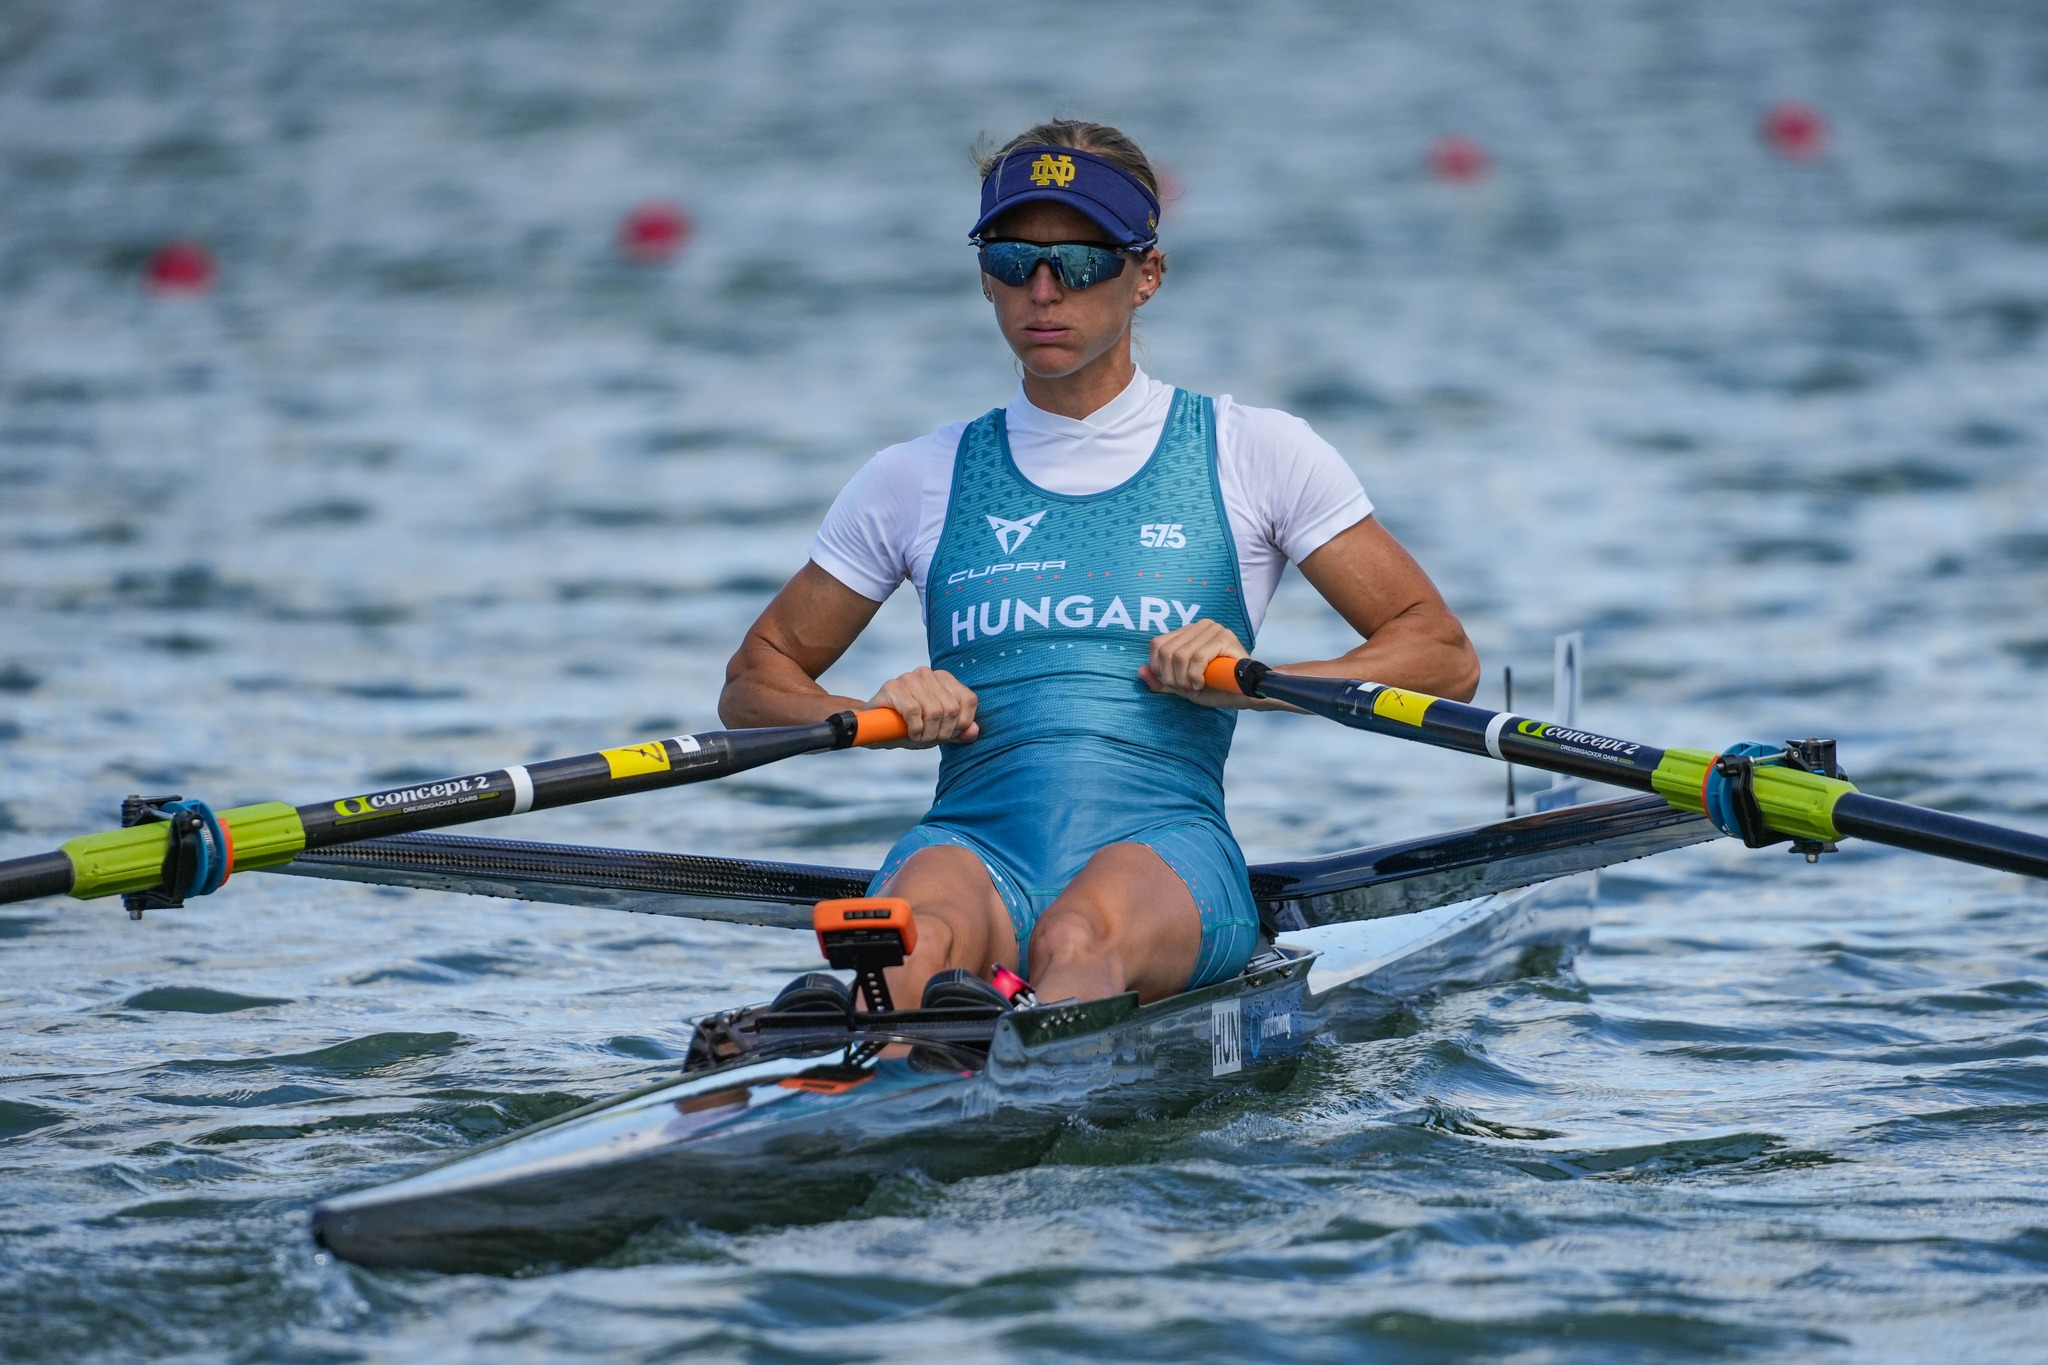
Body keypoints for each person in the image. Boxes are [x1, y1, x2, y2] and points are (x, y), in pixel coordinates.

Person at [720, 119, 1477, 1011]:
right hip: (970, 842)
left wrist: (1253, 682)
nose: (1043, 291)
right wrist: (871, 716)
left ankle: (1015, 1042)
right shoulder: (914, 477)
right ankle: (862, 1054)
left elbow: (1442, 657)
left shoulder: (1253, 452)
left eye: (1079, 264)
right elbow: (753, 683)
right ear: (985, 277)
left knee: (1077, 936)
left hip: (1165, 851)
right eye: (1013, 261)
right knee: (918, 932)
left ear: (1146, 274)